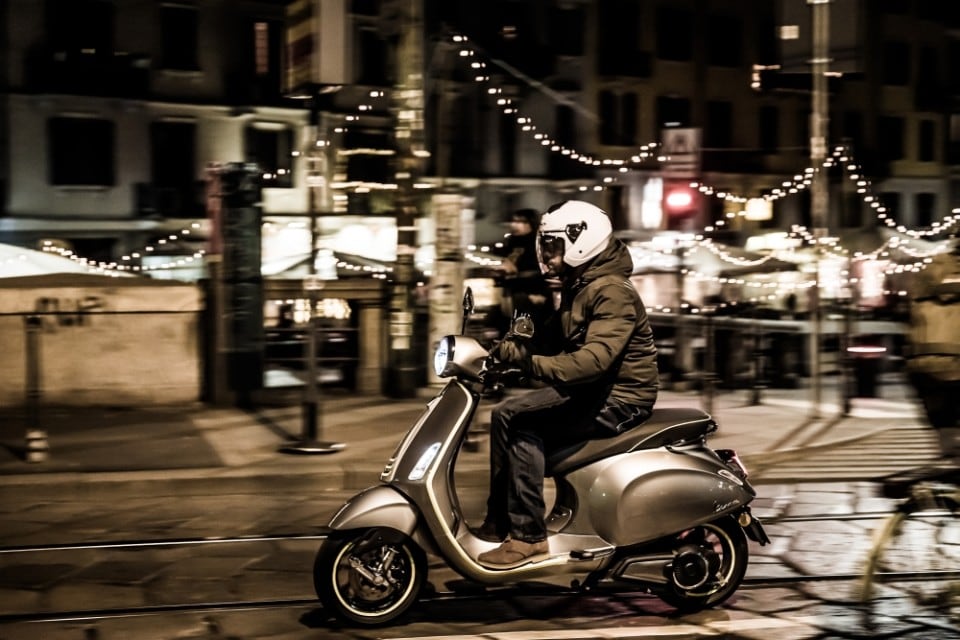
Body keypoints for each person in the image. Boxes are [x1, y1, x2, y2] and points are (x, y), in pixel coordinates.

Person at [476, 200, 660, 567]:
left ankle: (528, 537)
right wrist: (504, 353)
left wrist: (528, 362)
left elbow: (593, 362)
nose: (547, 254)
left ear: (581, 241)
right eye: (545, 245)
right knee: (504, 412)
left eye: (553, 246)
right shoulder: (582, 284)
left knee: (524, 427)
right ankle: (499, 523)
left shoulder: (612, 291)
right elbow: (552, 337)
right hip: (593, 391)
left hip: (621, 398)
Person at [494, 208, 553, 331]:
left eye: (520, 221)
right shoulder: (512, 243)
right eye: (513, 221)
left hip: (532, 295)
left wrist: (514, 272)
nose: (514, 225)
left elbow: (542, 270)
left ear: (531, 223)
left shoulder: (538, 244)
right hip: (512, 295)